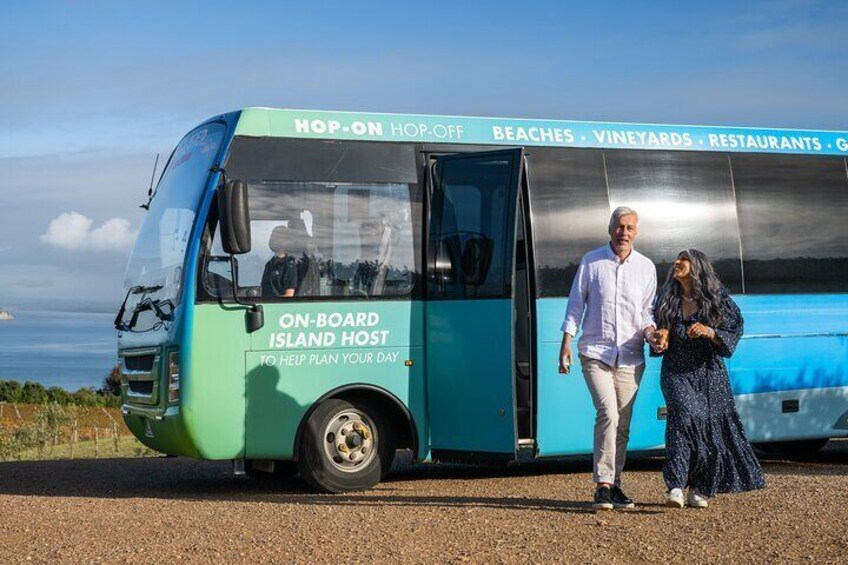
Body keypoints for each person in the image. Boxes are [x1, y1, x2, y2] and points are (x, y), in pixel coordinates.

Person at [559, 206, 658, 511]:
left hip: (630, 356)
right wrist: (566, 343)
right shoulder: (592, 261)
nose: (623, 232)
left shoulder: (646, 267)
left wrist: (652, 332)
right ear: (610, 229)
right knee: (609, 414)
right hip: (595, 353)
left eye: (629, 228)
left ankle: (614, 484)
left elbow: (646, 312)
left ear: (636, 232)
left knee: (623, 425)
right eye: (619, 226)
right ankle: (602, 485)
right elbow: (576, 305)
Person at [650, 249, 766, 508]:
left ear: (698, 266)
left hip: (709, 372)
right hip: (676, 369)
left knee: (710, 428)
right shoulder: (667, 296)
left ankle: (701, 487)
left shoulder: (717, 297)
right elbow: (658, 328)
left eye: (684, 259)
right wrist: (661, 336)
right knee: (681, 420)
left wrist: (709, 331)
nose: (677, 263)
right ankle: (676, 486)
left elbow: (735, 327)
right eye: (677, 259)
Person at [261, 225, 300, 298]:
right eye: (273, 237)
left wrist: (270, 302)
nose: (274, 240)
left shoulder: (290, 264)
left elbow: (289, 295)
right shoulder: (269, 264)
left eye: (278, 237)